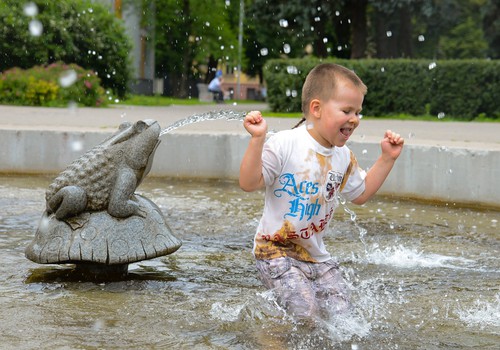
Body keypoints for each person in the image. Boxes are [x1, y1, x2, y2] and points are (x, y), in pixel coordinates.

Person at [239, 63, 404, 324]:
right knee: (305, 313)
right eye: (346, 110)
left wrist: (387, 159)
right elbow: (249, 183)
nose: (355, 119)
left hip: (316, 256)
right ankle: (270, 339)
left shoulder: (342, 156)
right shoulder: (286, 143)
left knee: (344, 316)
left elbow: (360, 194)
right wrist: (257, 140)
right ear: (316, 108)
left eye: (358, 112)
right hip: (275, 250)